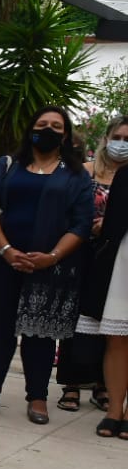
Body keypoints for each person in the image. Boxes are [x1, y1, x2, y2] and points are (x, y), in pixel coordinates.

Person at [0, 105, 94, 423]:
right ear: (30, 129)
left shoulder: (76, 175)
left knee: (40, 335)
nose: (48, 129)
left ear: (66, 134)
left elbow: (82, 223)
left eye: (56, 126)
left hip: (50, 268)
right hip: (3, 261)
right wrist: (6, 250)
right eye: (42, 123)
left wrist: (52, 257)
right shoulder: (8, 165)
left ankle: (38, 398)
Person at [57, 115, 128, 412]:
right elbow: (65, 211)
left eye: (127, 140)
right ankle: (71, 384)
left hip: (117, 259)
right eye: (118, 138)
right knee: (74, 319)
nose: (121, 144)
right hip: (81, 252)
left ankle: (103, 385)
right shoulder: (84, 172)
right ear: (106, 138)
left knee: (110, 325)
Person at [77, 162, 128, 438]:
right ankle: (114, 410)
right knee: (116, 337)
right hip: (122, 260)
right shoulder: (124, 174)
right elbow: (112, 225)